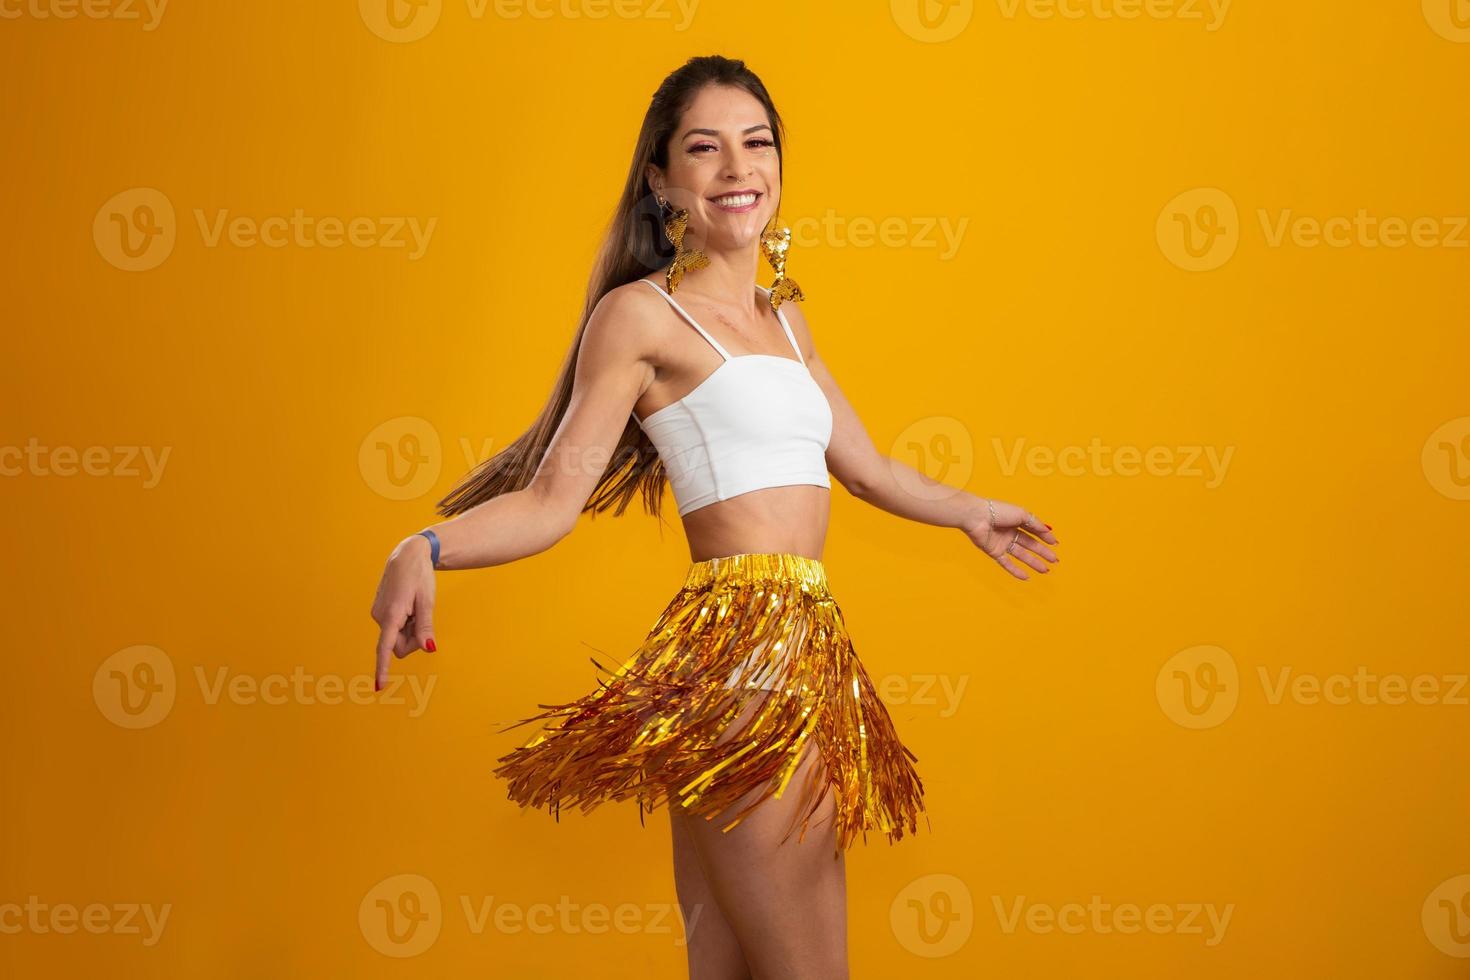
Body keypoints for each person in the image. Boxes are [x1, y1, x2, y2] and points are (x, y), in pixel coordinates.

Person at [369, 54, 1060, 980]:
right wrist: (425, 544)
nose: (739, 168)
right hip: (748, 664)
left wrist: (973, 512)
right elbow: (549, 502)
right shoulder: (639, 318)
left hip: (794, 651)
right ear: (662, 179)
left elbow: (863, 467)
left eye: (757, 143)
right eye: (705, 147)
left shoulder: (784, 315)